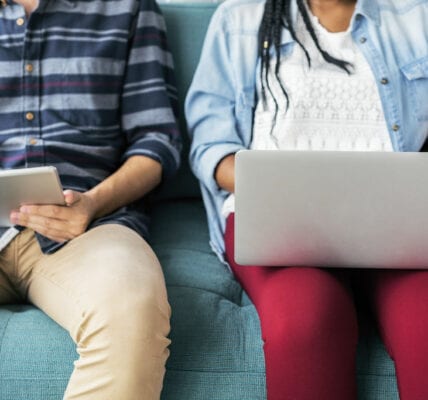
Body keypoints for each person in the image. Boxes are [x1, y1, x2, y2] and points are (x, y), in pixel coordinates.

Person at [186, 0, 428, 398]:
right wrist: (275, 187)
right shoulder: (238, 19)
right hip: (282, 226)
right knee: (302, 322)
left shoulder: (416, 16)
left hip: (397, 225)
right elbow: (211, 147)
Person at [0, 0, 180, 399]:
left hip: (90, 226)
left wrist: (93, 204)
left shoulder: (129, 8)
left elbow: (157, 141)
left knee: (131, 311)